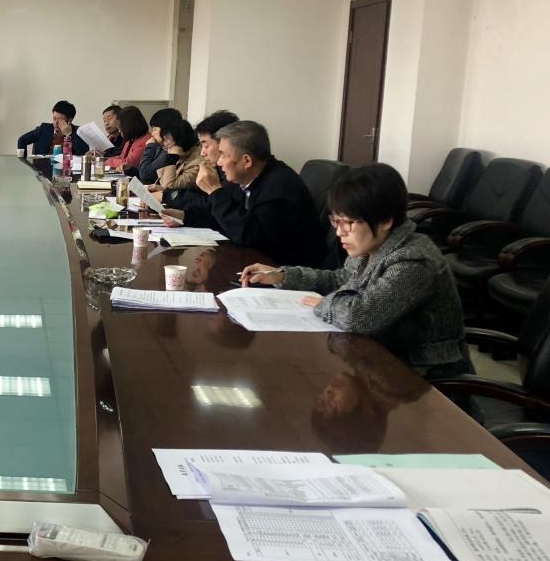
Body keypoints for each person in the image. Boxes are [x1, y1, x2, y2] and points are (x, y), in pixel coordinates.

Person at [241, 164, 471, 380]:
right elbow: (340, 280)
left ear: (385, 221)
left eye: (347, 222)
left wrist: (323, 304)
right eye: (336, 220)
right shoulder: (372, 244)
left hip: (423, 378)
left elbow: (359, 316)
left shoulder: (414, 261)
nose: (339, 232)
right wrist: (283, 275)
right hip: (380, 357)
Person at [189, 120, 324, 266]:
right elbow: (222, 216)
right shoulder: (248, 177)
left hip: (285, 270)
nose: (219, 162)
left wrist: (214, 191)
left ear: (246, 161)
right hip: (255, 263)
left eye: (223, 155)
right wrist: (184, 216)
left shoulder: (279, 186)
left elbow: (250, 237)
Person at [162, 110, 239, 222]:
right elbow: (199, 196)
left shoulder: (232, 173)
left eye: (206, 146)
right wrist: (184, 216)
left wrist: (168, 195)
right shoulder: (215, 167)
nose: (202, 153)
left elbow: (214, 208)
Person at [16, 100, 89, 157]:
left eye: (60, 120)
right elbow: (22, 140)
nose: (55, 123)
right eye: (54, 118)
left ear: (70, 120)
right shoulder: (43, 129)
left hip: (67, 170)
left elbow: (83, 153)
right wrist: (24, 161)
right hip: (42, 169)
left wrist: (69, 135)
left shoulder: (79, 132)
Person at [151, 118, 200, 191]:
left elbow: (168, 188)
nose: (165, 144)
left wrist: (172, 158)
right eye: (164, 140)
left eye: (168, 141)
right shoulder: (180, 156)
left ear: (181, 141)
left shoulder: (197, 164)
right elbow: (163, 183)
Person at [137, 107, 183, 184]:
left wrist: (150, 146)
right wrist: (131, 169)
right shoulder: (162, 147)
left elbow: (145, 174)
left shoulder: (170, 152)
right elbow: (149, 169)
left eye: (155, 129)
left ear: (166, 130)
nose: (152, 133)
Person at [105, 106, 151, 174]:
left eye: (121, 127)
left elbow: (128, 163)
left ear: (129, 126)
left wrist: (106, 162)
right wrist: (102, 160)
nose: (119, 131)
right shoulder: (131, 139)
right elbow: (121, 157)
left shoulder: (146, 141)